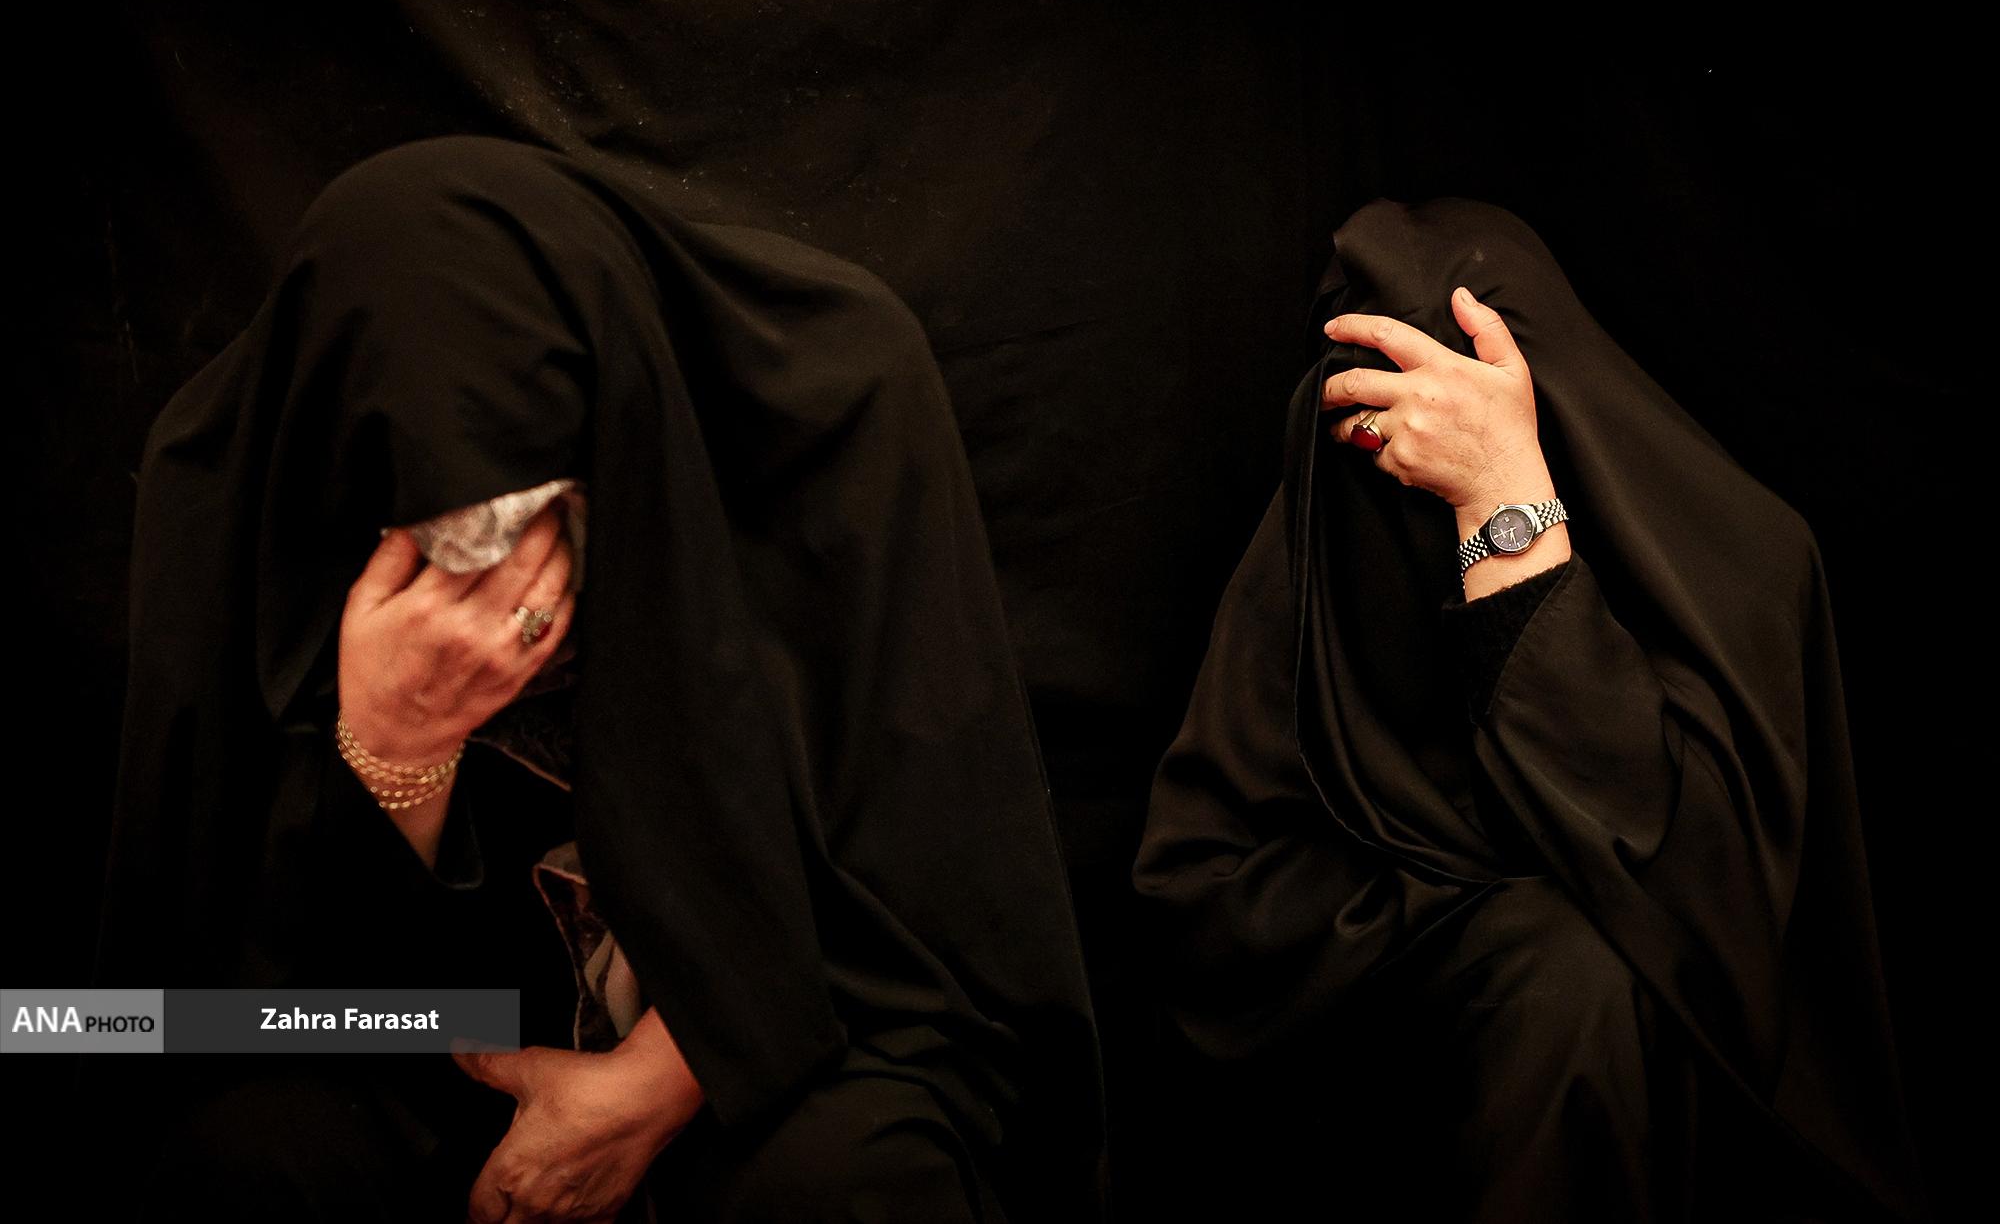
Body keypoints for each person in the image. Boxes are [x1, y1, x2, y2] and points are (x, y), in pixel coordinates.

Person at [95, 135, 1106, 1222]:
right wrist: (392, 751)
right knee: (247, 1156)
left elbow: (938, 908)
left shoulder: (831, 406)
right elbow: (167, 1013)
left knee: (850, 1179)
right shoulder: (232, 496)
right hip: (430, 1026)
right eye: (438, 552)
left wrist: (666, 1073)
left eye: (545, 529)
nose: (500, 611)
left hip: (780, 1017)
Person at [1131, 198, 1926, 1221]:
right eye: (1381, 441)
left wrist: (1504, 504)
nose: (1402, 479)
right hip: (1362, 1110)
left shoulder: (1744, 575)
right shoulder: (1320, 552)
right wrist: (1485, 898)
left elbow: (1687, 887)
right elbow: (1206, 905)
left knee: (1577, 985)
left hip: (1654, 1106)